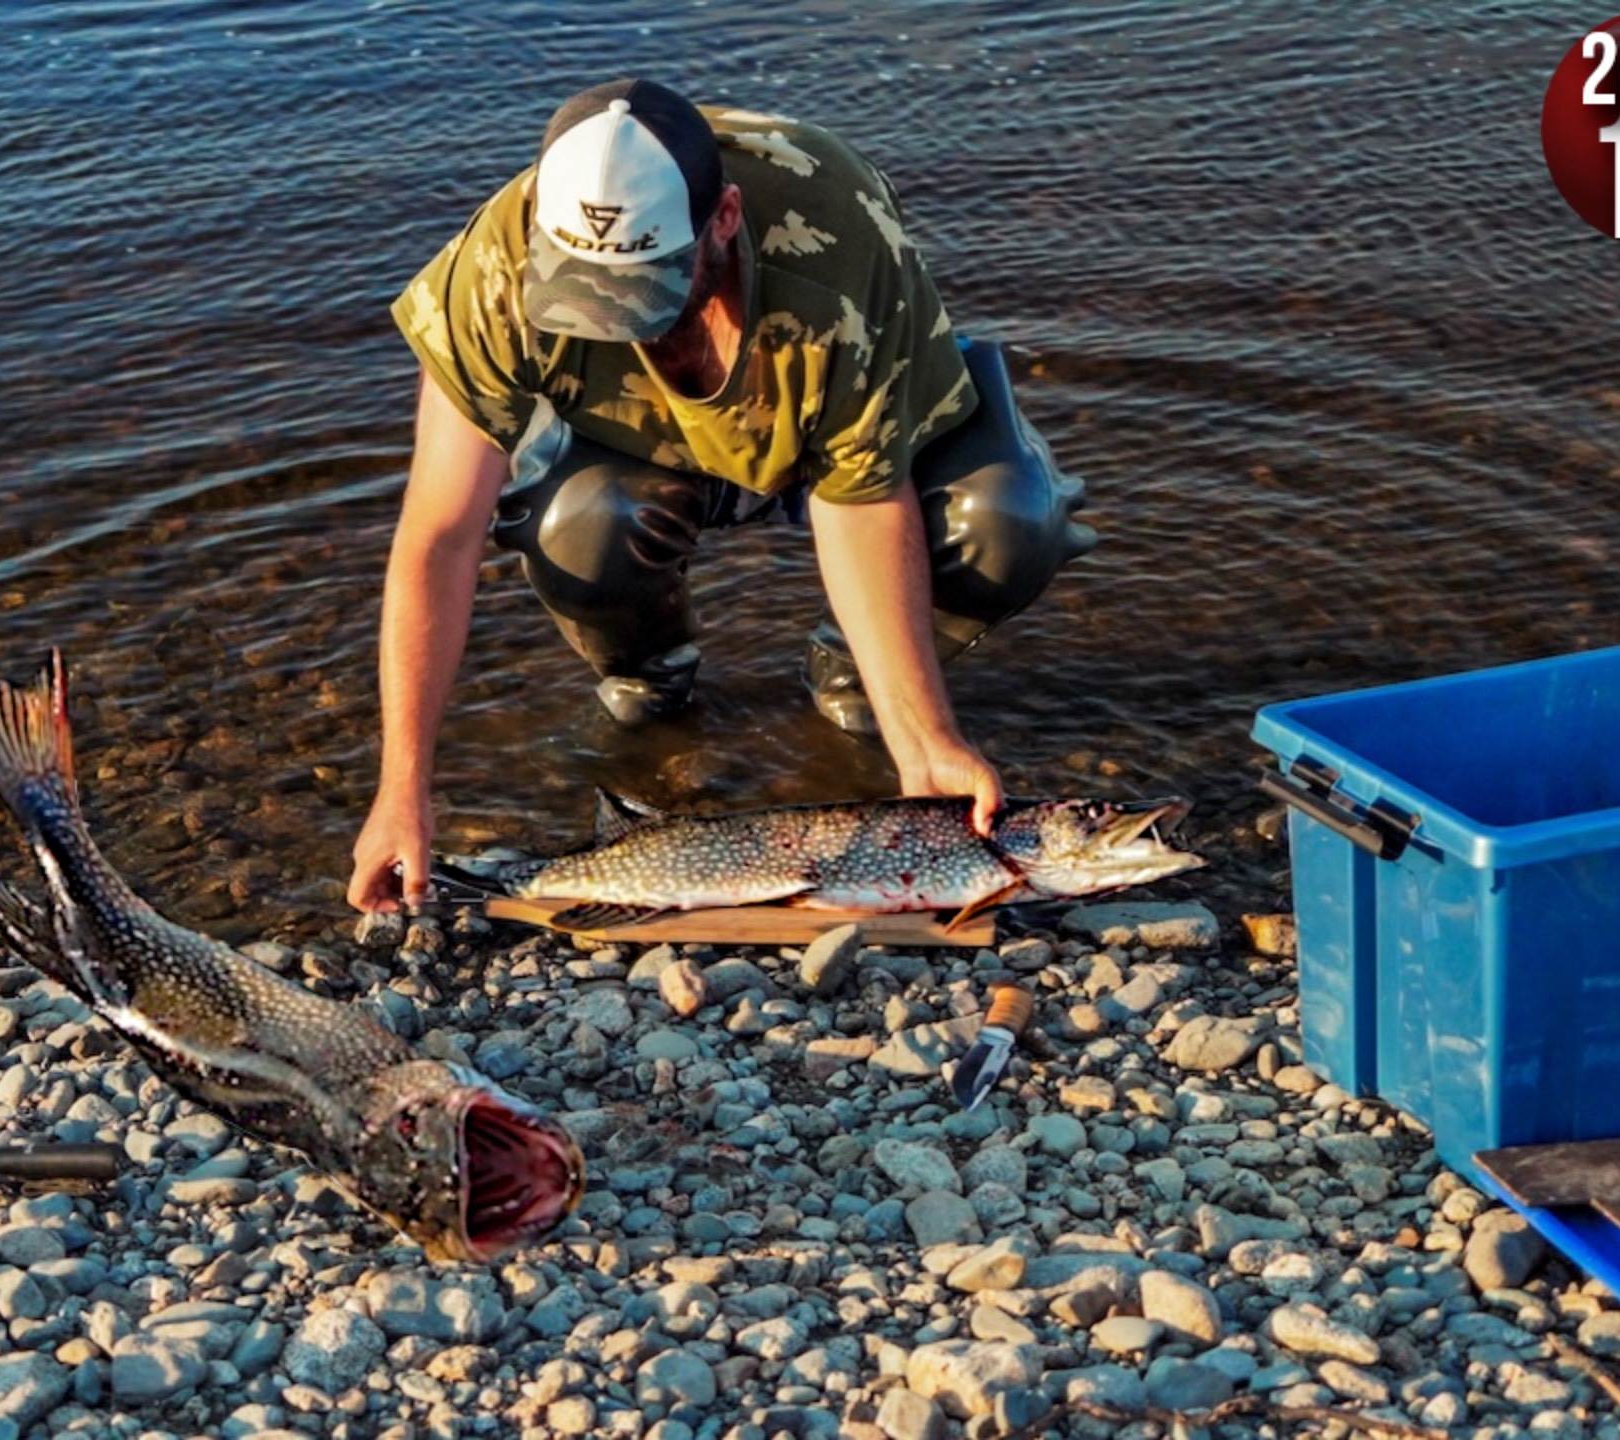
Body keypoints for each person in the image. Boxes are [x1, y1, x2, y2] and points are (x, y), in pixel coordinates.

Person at [347, 77, 1095, 914]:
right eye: (588, 296)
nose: (623, 323)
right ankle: (648, 684)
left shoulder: (840, 251)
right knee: (581, 522)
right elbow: (439, 536)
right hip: (639, 452)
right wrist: (400, 790)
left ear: (726, 219)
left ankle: (854, 680)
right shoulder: (492, 273)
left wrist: (924, 741)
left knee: (1011, 519)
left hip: (832, 424)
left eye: (643, 290)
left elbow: (861, 501)